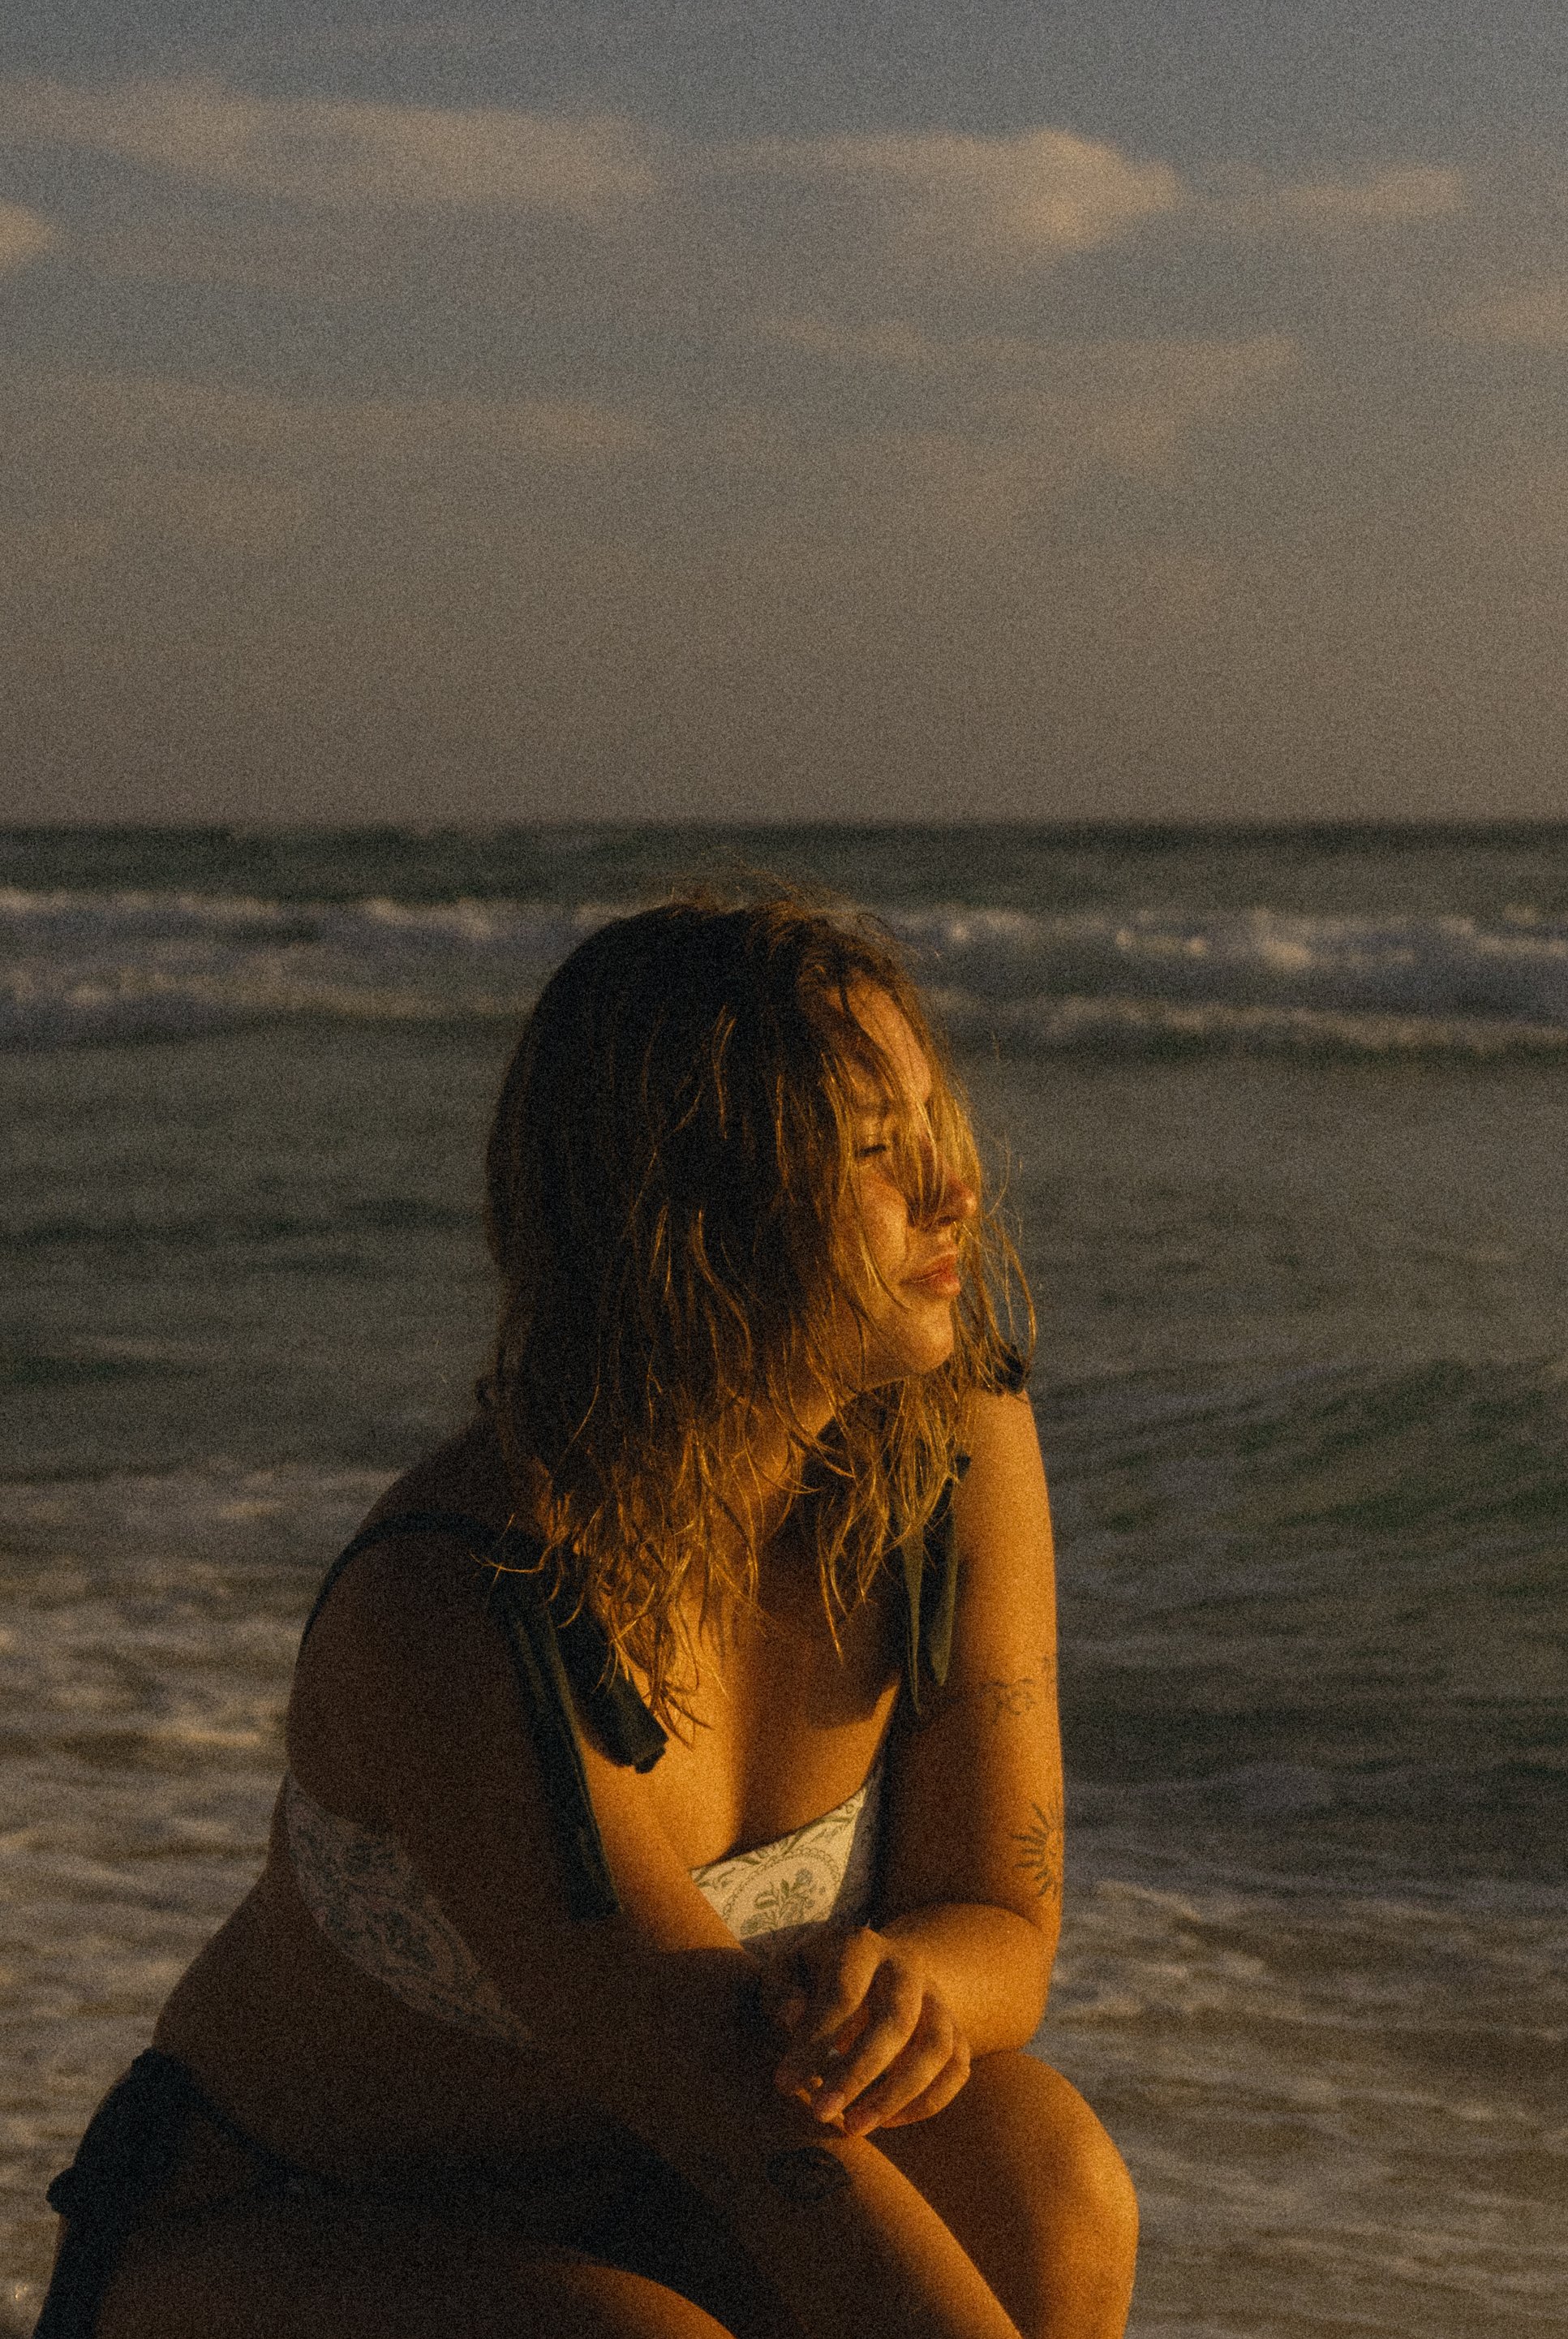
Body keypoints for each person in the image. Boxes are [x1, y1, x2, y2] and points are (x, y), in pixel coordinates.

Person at [36, 892, 1138, 2339]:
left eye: (935, 1123)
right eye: (879, 1151)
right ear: (700, 1201)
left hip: (653, 2177)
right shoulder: (460, 1600)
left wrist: (908, 1985)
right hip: (295, 2223)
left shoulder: (951, 1449)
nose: (953, 1190)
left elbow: (1004, 1918)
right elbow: (756, 2134)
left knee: (1047, 2182)